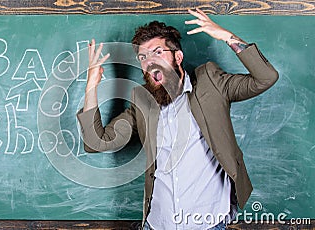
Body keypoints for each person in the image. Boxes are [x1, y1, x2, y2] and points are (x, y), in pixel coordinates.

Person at [77, 8, 278, 230]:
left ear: (178, 57)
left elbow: (266, 77)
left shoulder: (210, 83)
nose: (149, 61)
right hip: (158, 223)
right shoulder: (142, 102)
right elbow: (96, 142)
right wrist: (91, 86)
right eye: (143, 57)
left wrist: (227, 36)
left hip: (209, 222)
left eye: (157, 52)